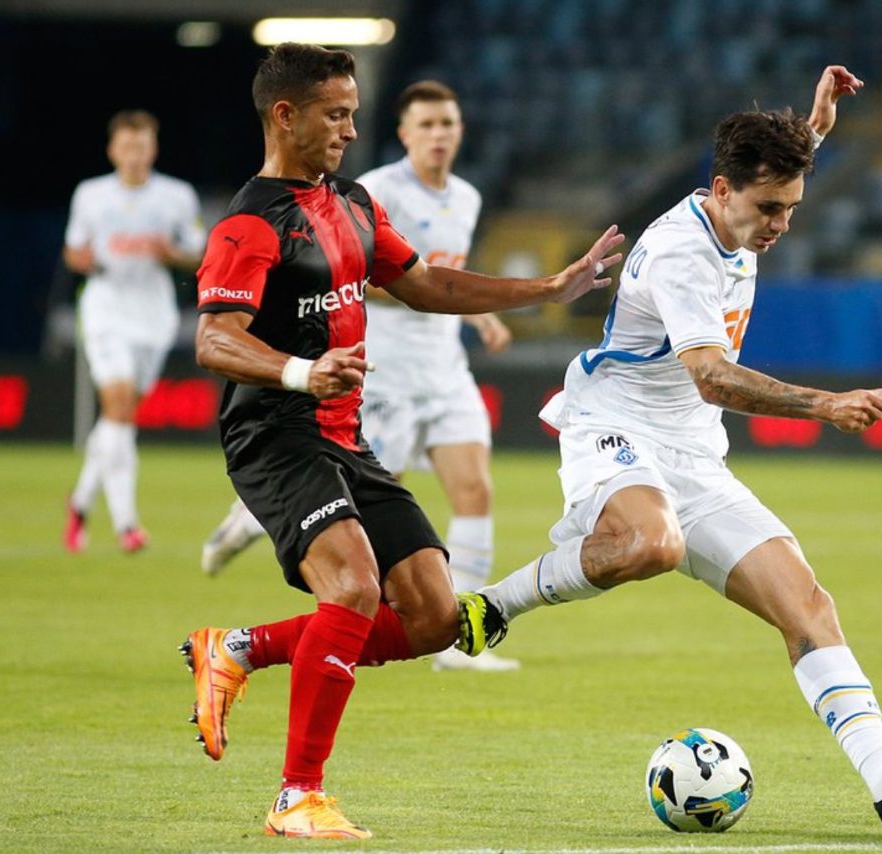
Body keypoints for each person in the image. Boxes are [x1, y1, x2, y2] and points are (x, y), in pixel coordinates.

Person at [468, 66, 882, 836]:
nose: (780, 224)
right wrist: (823, 404)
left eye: (791, 207)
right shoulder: (682, 253)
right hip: (614, 427)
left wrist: (816, 125)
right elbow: (712, 376)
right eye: (769, 208)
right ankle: (494, 607)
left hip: (692, 452)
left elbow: (779, 170)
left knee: (808, 605)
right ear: (721, 190)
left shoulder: (740, 209)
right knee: (651, 543)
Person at [182, 43, 622, 840]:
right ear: (285, 115)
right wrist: (299, 371)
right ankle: (297, 798)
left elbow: (425, 284)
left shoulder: (352, 203)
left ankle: (239, 649)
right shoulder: (250, 224)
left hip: (344, 438)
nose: (351, 130)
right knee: (352, 587)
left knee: (432, 616)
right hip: (274, 435)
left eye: (353, 113)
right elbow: (214, 339)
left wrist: (549, 289)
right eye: (336, 114)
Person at [199, 80, 520, 673]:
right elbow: (360, 277)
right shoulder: (370, 190)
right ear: (405, 134)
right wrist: (402, 291)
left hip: (445, 367)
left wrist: (487, 313)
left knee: (474, 489)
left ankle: (459, 641)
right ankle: (252, 521)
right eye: (427, 125)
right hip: (377, 370)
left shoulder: (467, 197)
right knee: (362, 528)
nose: (439, 135)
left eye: (448, 124)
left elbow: (438, 276)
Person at [62, 109, 204, 554]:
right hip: (105, 309)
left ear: (153, 149)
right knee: (119, 407)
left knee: (118, 418)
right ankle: (127, 524)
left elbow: (198, 253)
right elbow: (73, 251)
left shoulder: (177, 196)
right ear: (112, 150)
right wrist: (82, 260)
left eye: (141, 146)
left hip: (153, 315)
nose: (134, 155)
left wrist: (172, 254)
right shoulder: (90, 195)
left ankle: (79, 503)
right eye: (126, 146)